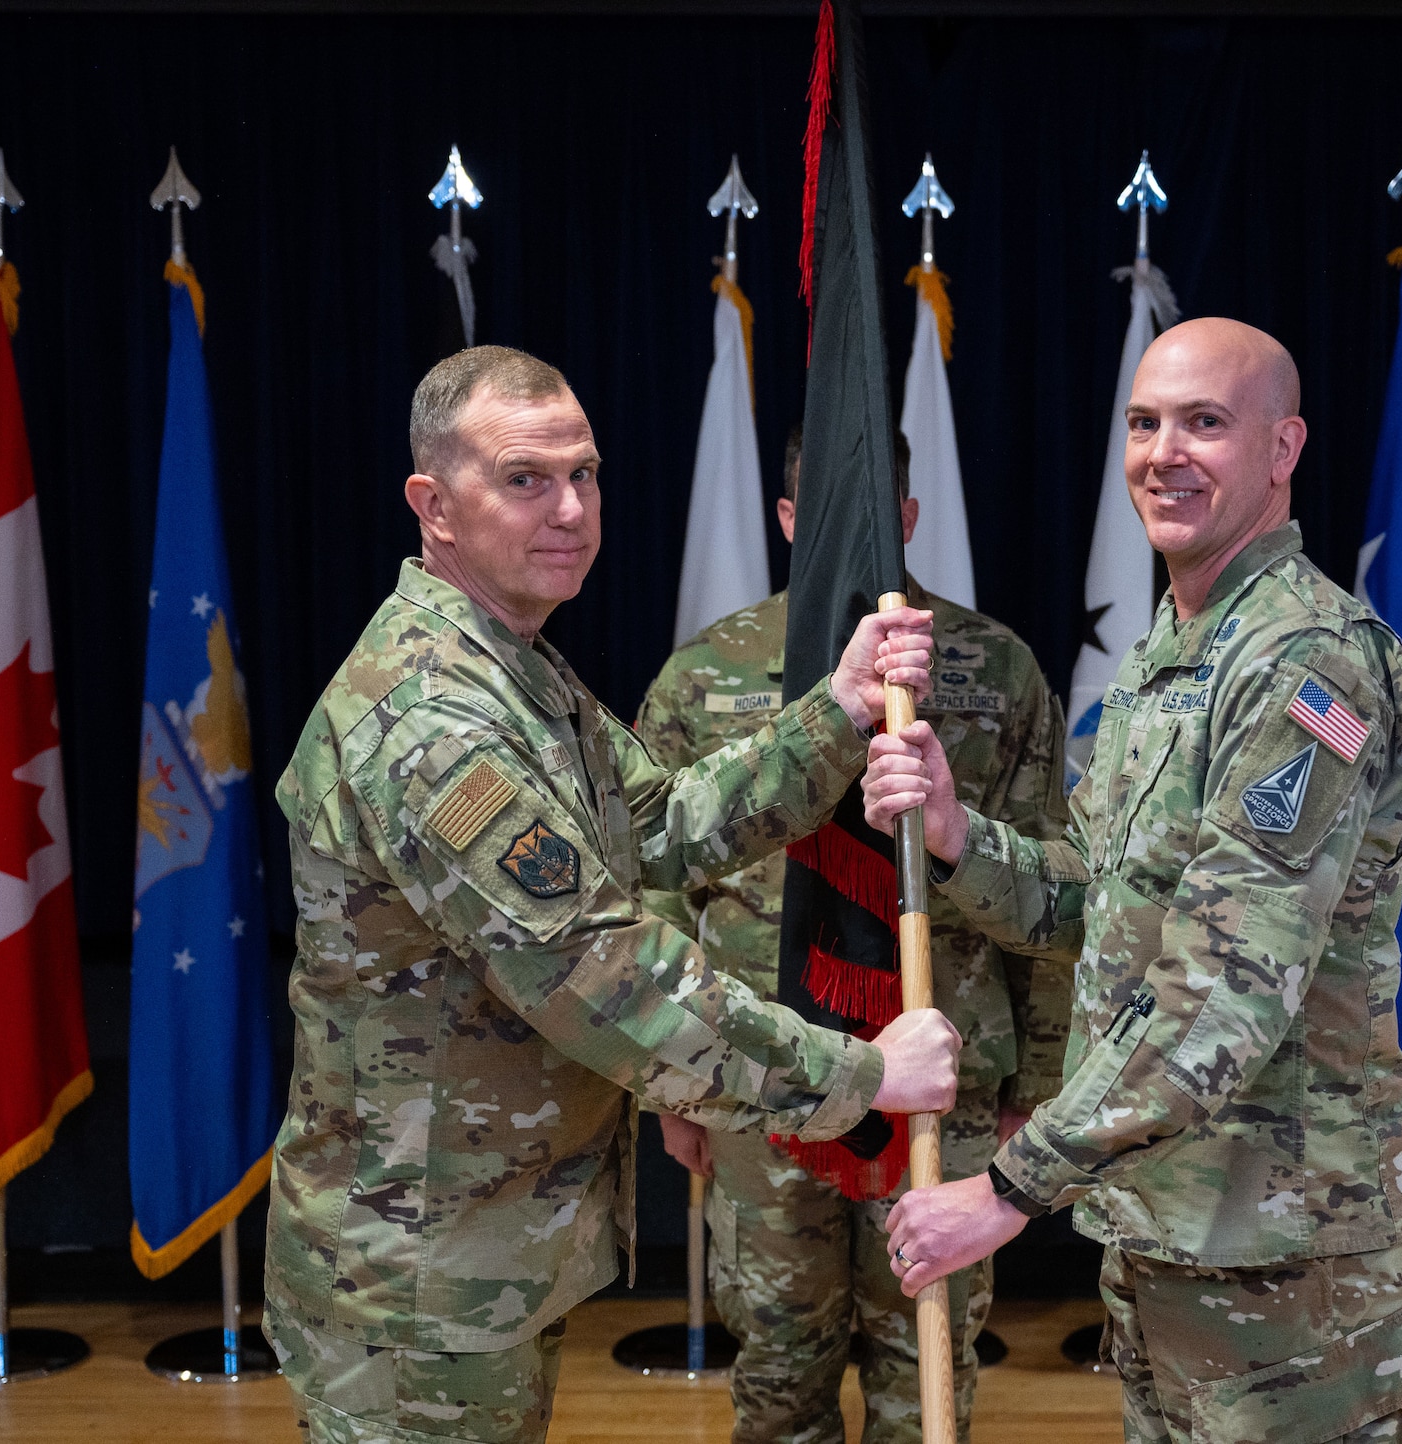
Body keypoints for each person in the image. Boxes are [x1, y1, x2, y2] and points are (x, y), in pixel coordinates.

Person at [263, 346, 962, 1444]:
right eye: (525, 479)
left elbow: (655, 824)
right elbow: (605, 976)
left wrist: (832, 711)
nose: (570, 508)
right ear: (432, 505)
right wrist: (861, 1076)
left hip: (478, 1249)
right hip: (417, 1274)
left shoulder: (513, 669)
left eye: (583, 475)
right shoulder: (435, 720)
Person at [864, 319, 1402, 1444]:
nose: (1162, 453)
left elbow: (1223, 989)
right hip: (1169, 1221)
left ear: (1282, 448)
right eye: (1143, 423)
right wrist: (952, 834)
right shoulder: (1176, 653)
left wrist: (1006, 1190)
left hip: (1281, 1253)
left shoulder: (1302, 662)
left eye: (1204, 423)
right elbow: (1103, 899)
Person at [638, 427, 1072, 1444]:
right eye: (824, 519)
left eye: (880, 519)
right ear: (787, 522)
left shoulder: (993, 668)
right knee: (778, 1370)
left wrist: (1034, 1089)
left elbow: (1055, 885)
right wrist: (666, 1084)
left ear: (910, 519)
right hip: (759, 1080)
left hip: (944, 1080)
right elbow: (653, 886)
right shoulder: (707, 675)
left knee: (923, 1366)